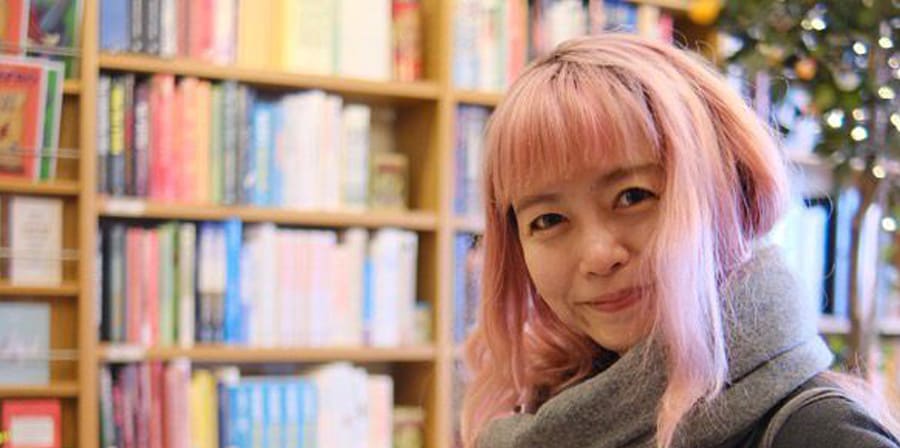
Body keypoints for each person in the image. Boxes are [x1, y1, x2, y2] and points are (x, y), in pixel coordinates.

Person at [460, 33, 900, 448]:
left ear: (726, 191)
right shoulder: (548, 403)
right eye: (549, 219)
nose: (598, 256)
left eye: (633, 196)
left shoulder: (818, 433)